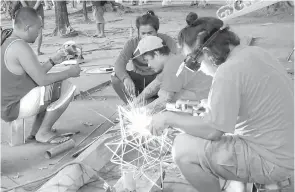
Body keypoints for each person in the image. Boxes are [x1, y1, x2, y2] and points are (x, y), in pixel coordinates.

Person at [148, 16, 294, 192]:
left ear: (208, 52)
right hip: (283, 151)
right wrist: (189, 109)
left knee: (183, 149)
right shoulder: (253, 53)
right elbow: (230, 108)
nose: (199, 68)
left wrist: (169, 118)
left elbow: (213, 130)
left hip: (271, 161)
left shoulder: (228, 71)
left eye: (195, 62)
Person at [1, 7, 81, 144]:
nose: (39, 33)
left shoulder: (8, 41)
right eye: (38, 29)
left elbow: (35, 74)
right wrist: (70, 72)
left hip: (6, 105)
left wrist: (53, 61)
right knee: (66, 87)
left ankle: (35, 131)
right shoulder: (20, 46)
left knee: (49, 89)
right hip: (13, 107)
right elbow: (42, 80)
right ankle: (44, 132)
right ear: (27, 27)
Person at [131, 35, 212, 114]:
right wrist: (134, 103)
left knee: (168, 99)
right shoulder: (174, 58)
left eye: (147, 60)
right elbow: (155, 85)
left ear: (157, 54)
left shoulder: (172, 66)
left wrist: (138, 113)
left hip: (207, 106)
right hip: (208, 99)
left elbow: (164, 100)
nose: (148, 65)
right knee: (161, 96)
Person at [111, 10, 178, 104]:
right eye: (143, 33)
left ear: (157, 31)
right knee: (116, 77)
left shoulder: (166, 41)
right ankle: (133, 105)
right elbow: (119, 64)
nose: (147, 36)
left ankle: (155, 101)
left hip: (161, 78)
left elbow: (176, 64)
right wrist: (125, 78)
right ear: (138, 32)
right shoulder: (132, 43)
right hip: (142, 78)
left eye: (150, 33)